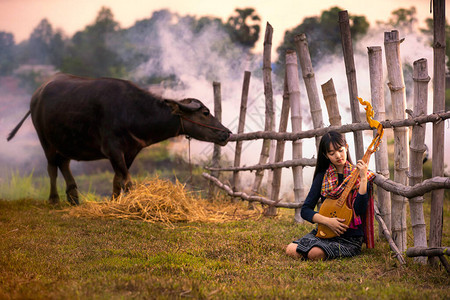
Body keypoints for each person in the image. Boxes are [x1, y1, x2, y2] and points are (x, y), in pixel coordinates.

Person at [286, 131, 375, 261]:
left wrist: (363, 179)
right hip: (325, 232)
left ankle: (314, 251)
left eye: (340, 150)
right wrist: (328, 221)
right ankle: (315, 249)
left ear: (347, 147)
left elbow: (359, 210)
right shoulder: (323, 176)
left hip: (349, 238)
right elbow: (305, 210)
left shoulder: (358, 176)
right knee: (290, 249)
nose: (338, 156)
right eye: (332, 153)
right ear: (326, 155)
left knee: (314, 254)